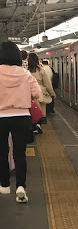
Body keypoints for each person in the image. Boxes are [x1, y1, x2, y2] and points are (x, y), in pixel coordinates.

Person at [0, 41, 41, 202]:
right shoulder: (25, 74)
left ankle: (4, 185)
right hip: (21, 117)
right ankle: (20, 187)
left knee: (2, 153)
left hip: (1, 118)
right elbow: (36, 94)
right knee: (19, 154)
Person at [28, 53, 55, 124]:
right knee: (41, 112)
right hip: (41, 93)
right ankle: (39, 124)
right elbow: (47, 84)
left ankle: (34, 125)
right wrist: (52, 94)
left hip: (28, 94)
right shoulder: (41, 71)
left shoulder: (26, 71)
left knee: (31, 112)